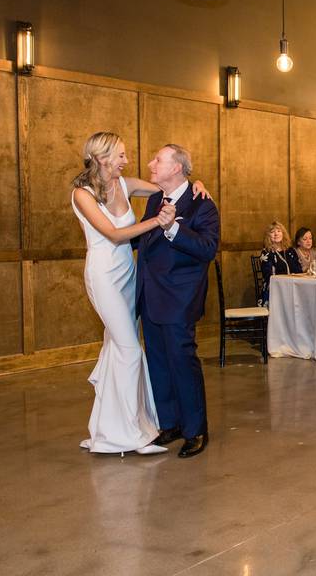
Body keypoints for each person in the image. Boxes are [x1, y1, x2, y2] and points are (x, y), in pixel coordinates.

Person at [71, 132, 211, 456]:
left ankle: (127, 424)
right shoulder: (82, 194)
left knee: (126, 351)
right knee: (131, 351)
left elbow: (174, 187)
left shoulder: (127, 184)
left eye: (125, 155)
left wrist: (198, 183)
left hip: (130, 276)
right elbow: (115, 234)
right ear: (103, 158)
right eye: (121, 155)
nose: (128, 160)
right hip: (105, 274)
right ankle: (128, 431)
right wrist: (160, 223)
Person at [135, 143, 220, 458]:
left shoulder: (202, 205)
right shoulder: (156, 199)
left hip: (179, 297)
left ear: (177, 167)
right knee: (158, 363)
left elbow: (208, 249)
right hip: (150, 294)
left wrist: (173, 227)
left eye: (158, 159)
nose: (150, 163)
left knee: (183, 363)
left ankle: (196, 429)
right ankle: (169, 423)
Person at [259, 221, 302, 302]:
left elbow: (299, 269)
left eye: (279, 231)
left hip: (293, 287)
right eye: (272, 232)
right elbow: (268, 275)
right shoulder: (267, 252)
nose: (276, 234)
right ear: (268, 236)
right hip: (274, 291)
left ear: (283, 234)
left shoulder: (290, 251)